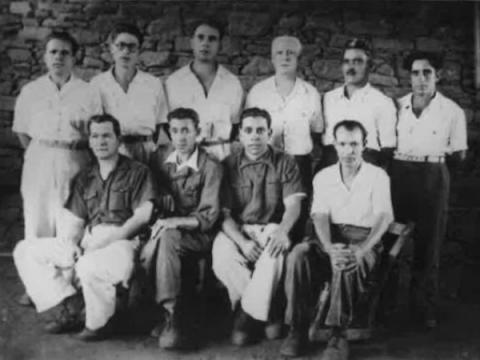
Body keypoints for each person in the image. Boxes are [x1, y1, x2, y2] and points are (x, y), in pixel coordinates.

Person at [13, 114, 156, 341]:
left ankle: (98, 323)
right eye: (95, 136)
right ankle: (71, 305)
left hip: (122, 242)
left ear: (118, 139)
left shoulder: (138, 171)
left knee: (89, 265)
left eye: (107, 136)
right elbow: (74, 220)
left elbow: (141, 217)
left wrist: (105, 242)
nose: (101, 141)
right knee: (25, 250)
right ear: (89, 141)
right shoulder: (85, 176)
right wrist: (71, 244)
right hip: (88, 240)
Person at [281, 120, 393, 359]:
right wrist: (329, 247)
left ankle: (337, 334)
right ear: (335, 145)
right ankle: (296, 330)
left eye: (354, 144)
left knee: (347, 260)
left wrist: (362, 249)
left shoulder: (378, 176)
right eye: (343, 144)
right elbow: (320, 215)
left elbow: (384, 218)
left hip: (364, 239)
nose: (349, 150)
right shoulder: (323, 176)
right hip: (329, 237)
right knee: (298, 255)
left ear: (364, 145)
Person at [212, 107, 305, 346]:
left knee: (275, 250)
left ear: (269, 133)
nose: (254, 136)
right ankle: (268, 310)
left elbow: (293, 205)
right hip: (238, 229)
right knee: (221, 256)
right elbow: (222, 213)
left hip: (271, 227)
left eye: (260, 130)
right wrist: (242, 242)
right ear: (240, 135)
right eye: (248, 131)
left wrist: (283, 231)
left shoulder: (285, 161)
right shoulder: (226, 165)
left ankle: (246, 318)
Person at [391, 51, 467, 329]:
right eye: (415, 73)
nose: (421, 79)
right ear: (408, 76)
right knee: (390, 239)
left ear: (438, 76)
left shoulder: (452, 111)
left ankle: (423, 310)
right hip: (398, 174)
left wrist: (435, 174)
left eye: (427, 73)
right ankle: (384, 308)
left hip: (433, 175)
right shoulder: (396, 106)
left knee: (429, 243)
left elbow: (458, 157)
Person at [140, 108, 223, 349]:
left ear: (198, 132)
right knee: (150, 247)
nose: (180, 137)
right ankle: (147, 311)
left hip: (200, 234)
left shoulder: (211, 166)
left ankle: (172, 315)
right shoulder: (158, 159)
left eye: (186, 130)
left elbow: (209, 215)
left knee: (168, 238)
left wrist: (175, 222)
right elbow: (151, 196)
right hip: (163, 229)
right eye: (175, 131)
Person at [13, 31, 97, 241]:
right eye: (53, 52)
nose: (58, 57)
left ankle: (70, 272)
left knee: (71, 223)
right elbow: (22, 130)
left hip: (76, 160)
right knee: (37, 221)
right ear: (45, 57)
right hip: (40, 160)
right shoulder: (31, 91)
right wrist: (43, 151)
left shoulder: (89, 91)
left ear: (74, 57)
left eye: (64, 52)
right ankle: (39, 273)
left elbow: (97, 131)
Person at [246, 36, 322, 239]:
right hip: (267, 162)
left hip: (299, 163)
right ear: (272, 58)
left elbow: (317, 128)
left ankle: (292, 265)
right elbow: (248, 129)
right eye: (280, 52)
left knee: (297, 217)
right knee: (268, 214)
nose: (285, 57)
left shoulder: (310, 93)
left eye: (291, 53)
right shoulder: (258, 92)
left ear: (298, 58)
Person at [165, 18, 244, 161]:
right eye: (200, 37)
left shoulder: (232, 83)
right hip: (185, 157)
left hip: (222, 156)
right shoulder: (174, 82)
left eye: (212, 39)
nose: (205, 43)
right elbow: (167, 126)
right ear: (192, 42)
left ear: (220, 45)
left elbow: (235, 125)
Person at [89, 23, 168, 164]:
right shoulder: (98, 84)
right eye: (120, 45)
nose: (126, 51)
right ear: (111, 48)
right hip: (112, 151)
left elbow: (160, 125)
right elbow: (94, 125)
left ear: (139, 51)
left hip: (147, 152)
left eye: (132, 47)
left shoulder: (153, 84)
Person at [321, 38, 397, 169]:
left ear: (370, 66)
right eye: (346, 62)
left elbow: (387, 150)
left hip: (366, 168)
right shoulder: (328, 99)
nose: (350, 68)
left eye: (357, 62)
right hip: (330, 167)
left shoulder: (383, 103)